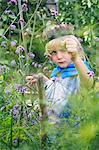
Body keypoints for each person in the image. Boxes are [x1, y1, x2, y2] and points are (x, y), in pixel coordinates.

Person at [26, 26, 94, 124]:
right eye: (54, 52)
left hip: (75, 128)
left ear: (76, 50)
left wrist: (75, 58)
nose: (59, 56)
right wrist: (44, 81)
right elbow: (59, 94)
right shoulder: (57, 72)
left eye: (64, 50)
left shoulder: (80, 69)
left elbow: (87, 84)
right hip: (56, 127)